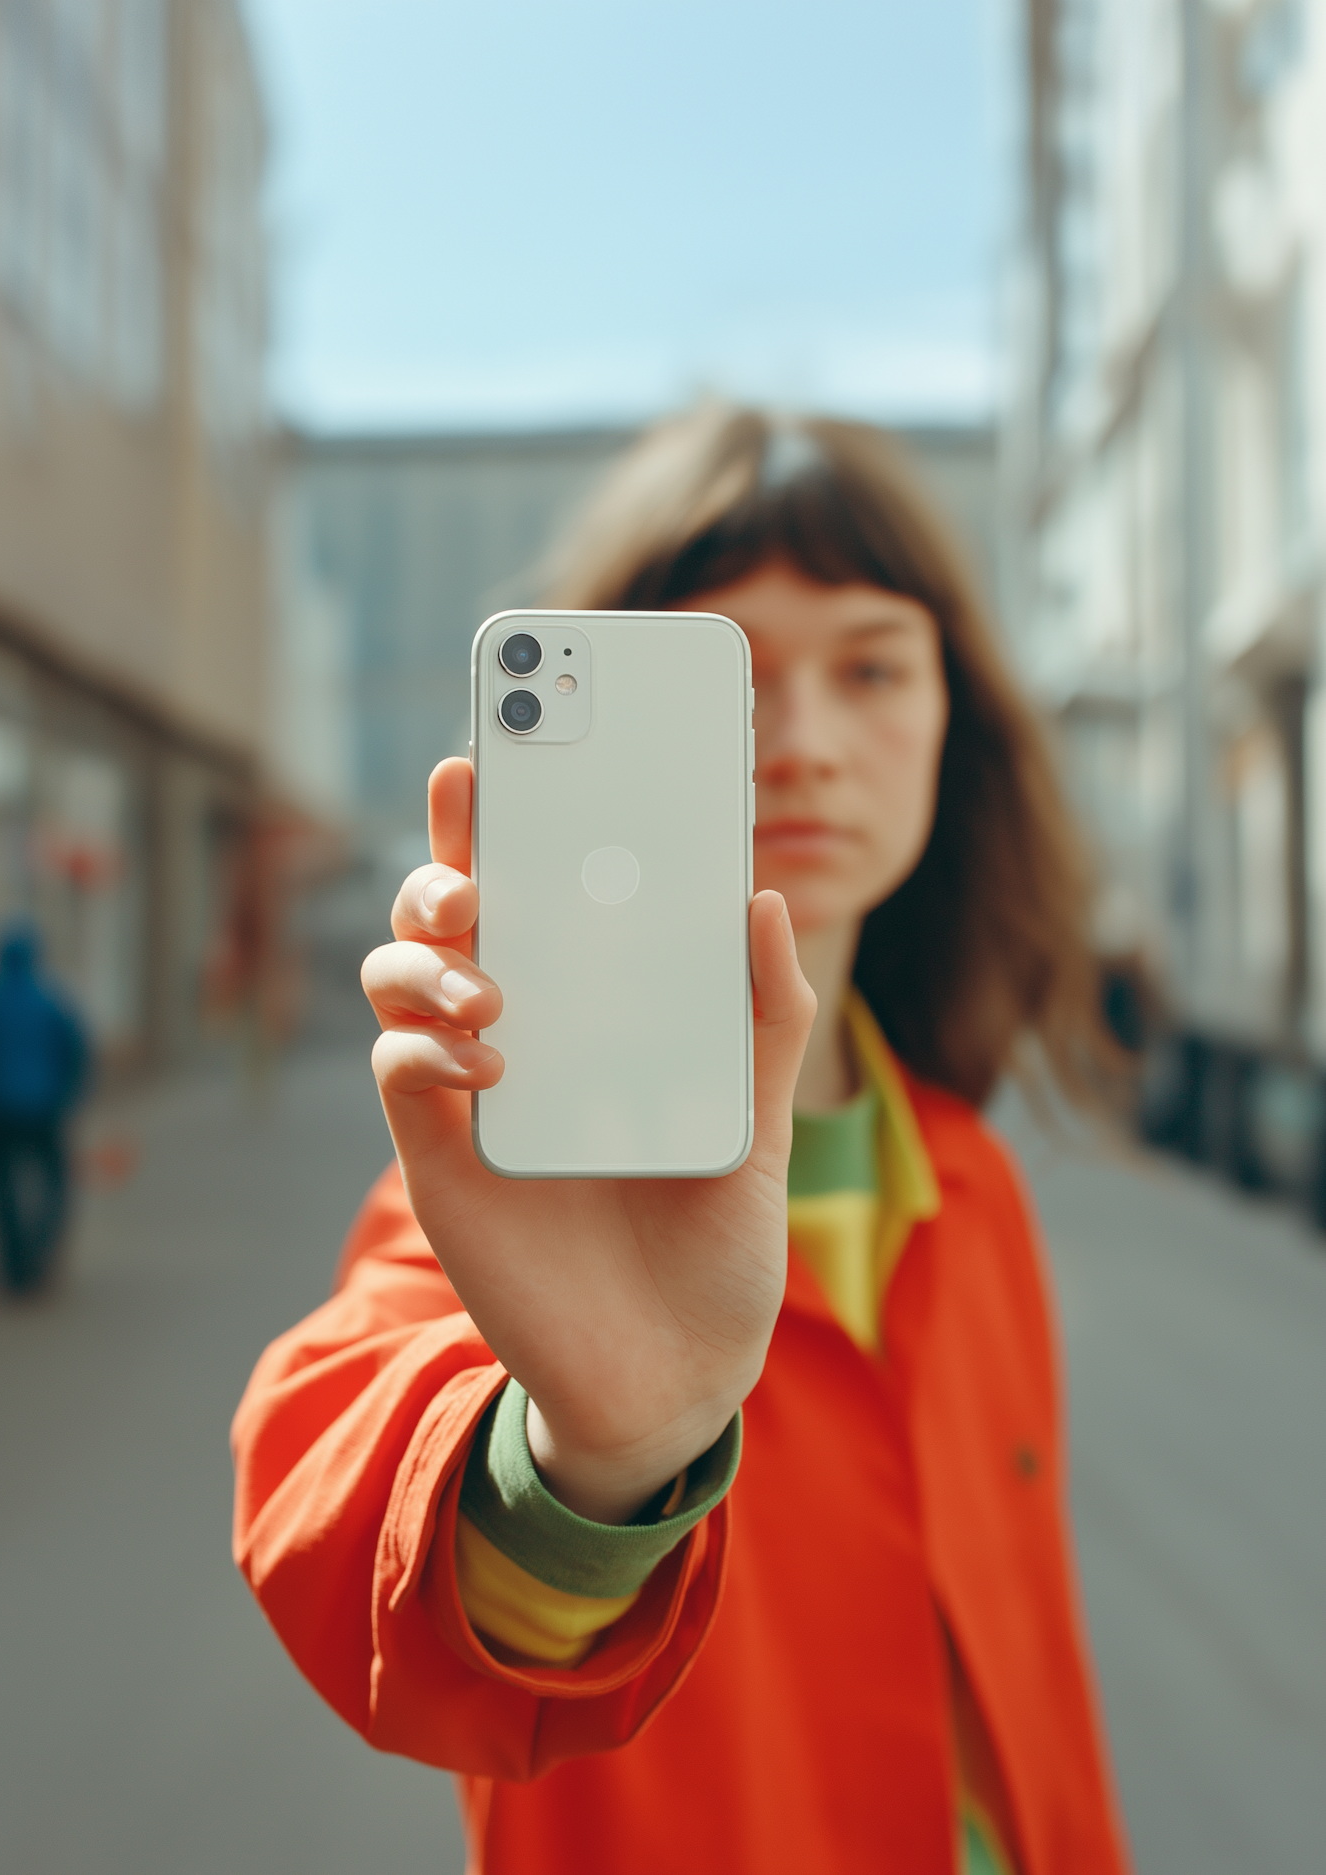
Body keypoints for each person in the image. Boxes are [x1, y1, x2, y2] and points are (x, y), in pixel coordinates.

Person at [231, 408, 1132, 1875]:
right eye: (735, 678)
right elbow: (350, 1518)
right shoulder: (522, 1191)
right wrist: (594, 1461)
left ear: (953, 712)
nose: (813, 744)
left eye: (873, 665)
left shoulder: (974, 1182)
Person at [0, 922, 90, 1295]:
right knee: (53, 1183)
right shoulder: (52, 1000)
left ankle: (13, 1264)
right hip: (45, 1109)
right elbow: (75, 1052)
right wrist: (69, 1095)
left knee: (0, 1188)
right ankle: (42, 1251)